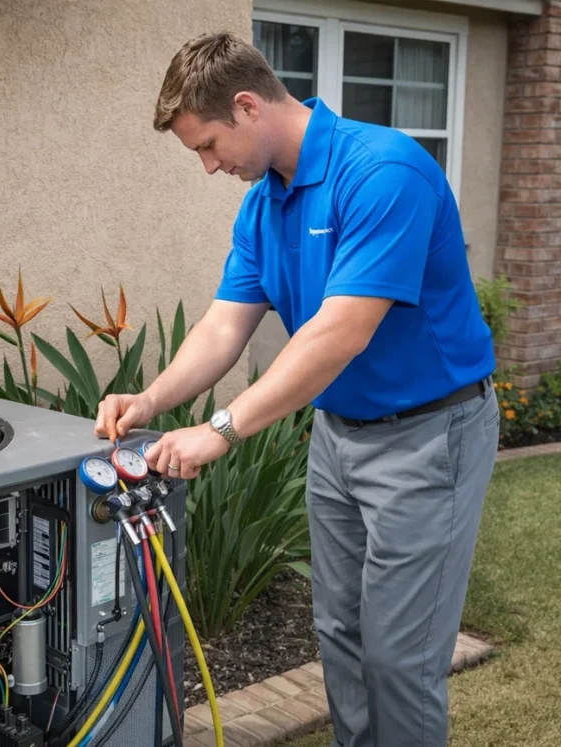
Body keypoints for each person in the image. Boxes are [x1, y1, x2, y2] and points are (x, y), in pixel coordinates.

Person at [94, 31, 499, 747]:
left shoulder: (383, 172)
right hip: (339, 436)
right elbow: (224, 328)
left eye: (208, 145)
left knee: (400, 655)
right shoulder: (264, 206)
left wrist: (219, 429)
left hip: (429, 437)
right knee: (340, 636)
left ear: (247, 106)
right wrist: (151, 401)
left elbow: (339, 332)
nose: (208, 166)